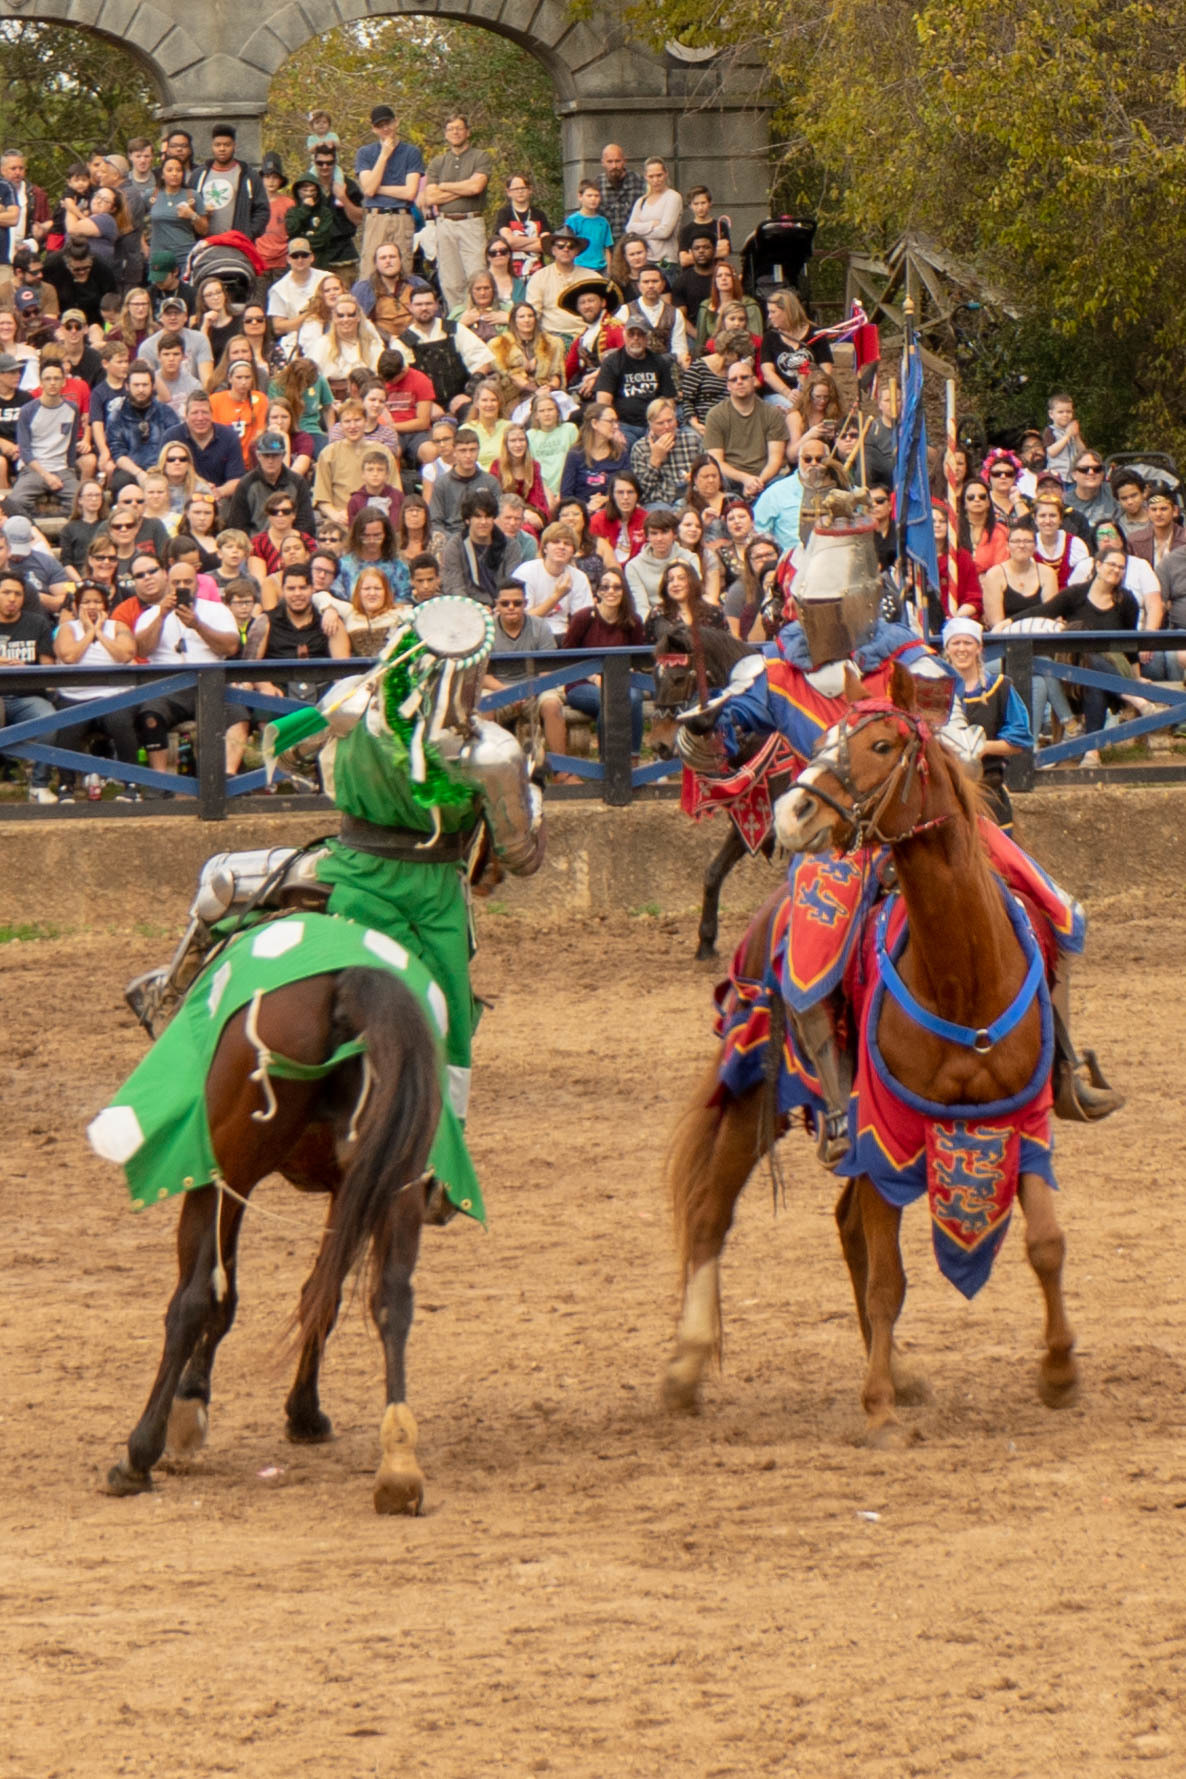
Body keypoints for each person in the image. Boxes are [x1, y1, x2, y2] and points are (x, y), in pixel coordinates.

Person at [942, 615, 1031, 830]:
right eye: (956, 643)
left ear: (979, 648)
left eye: (967, 643)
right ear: (947, 648)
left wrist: (980, 748)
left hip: (988, 789)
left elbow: (1019, 739)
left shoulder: (999, 687)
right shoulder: (934, 691)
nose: (961, 649)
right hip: (944, 793)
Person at [560, 565, 647, 759]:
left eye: (617, 587)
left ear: (624, 591)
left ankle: (632, 757)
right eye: (605, 587)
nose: (611, 592)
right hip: (582, 683)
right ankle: (607, 762)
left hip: (621, 680)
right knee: (609, 701)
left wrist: (615, 678)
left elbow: (637, 658)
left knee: (634, 697)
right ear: (597, 591)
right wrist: (593, 677)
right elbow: (566, 657)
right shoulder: (583, 618)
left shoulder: (633, 621)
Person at [423, 114, 493, 312]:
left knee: (477, 277)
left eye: (459, 128)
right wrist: (463, 189)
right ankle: (458, 322)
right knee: (450, 281)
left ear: (467, 132)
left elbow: (476, 188)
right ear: (446, 134)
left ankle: (481, 319)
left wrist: (444, 186)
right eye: (451, 129)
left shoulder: (480, 156)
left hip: (471, 222)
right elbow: (431, 198)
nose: (455, 132)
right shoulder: (438, 162)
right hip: (444, 224)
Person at [0, 566, 57, 800]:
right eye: (5, 593)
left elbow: (48, 669)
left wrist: (28, 670)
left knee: (50, 720)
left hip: (27, 695)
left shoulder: (37, 623)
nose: (12, 598)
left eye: (17, 594)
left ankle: (39, 784)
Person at [354, 105, 424, 280]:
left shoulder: (411, 152)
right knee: (369, 273)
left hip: (402, 217)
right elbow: (368, 189)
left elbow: (409, 192)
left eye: (389, 123)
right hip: (376, 218)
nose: (385, 128)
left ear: (396, 122)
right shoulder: (365, 153)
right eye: (380, 125)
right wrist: (384, 155)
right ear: (373, 129)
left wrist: (377, 188)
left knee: (403, 272)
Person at [5, 358, 81, 518]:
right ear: (41, 382)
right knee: (15, 502)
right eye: (48, 379)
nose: (52, 383)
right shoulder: (28, 410)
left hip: (62, 469)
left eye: (56, 378)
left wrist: (70, 470)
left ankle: (55, 519)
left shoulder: (72, 409)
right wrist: (47, 476)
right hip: (34, 469)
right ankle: (38, 521)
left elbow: (71, 445)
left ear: (63, 382)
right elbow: (25, 450)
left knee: (83, 502)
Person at [702, 359, 787, 497]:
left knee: (783, 484)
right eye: (734, 379)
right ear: (728, 386)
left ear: (754, 381)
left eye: (744, 377)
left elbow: (775, 460)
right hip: (730, 479)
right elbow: (716, 461)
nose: (739, 382)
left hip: (766, 478)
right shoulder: (715, 415)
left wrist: (758, 482)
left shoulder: (772, 413)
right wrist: (745, 479)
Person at [592, 317, 678, 449]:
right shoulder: (612, 362)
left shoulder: (659, 362)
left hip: (655, 425)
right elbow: (603, 402)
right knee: (620, 448)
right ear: (625, 336)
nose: (636, 338)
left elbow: (669, 400)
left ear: (647, 338)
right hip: (624, 426)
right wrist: (613, 430)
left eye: (640, 334)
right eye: (631, 334)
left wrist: (662, 427)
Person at [441, 487, 530, 604]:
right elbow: (455, 587)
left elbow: (511, 585)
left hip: (502, 608)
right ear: (467, 520)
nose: (483, 522)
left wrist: (499, 607)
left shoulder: (511, 546)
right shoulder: (455, 546)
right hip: (468, 608)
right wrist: (476, 609)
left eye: (488, 517)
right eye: (478, 517)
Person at [751, 436, 832, 554]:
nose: (813, 464)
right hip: (791, 563)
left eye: (819, 459)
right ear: (799, 460)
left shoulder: (841, 489)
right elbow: (758, 532)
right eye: (807, 459)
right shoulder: (775, 493)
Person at [513, 520, 593, 636]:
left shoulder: (579, 577)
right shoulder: (526, 571)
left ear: (573, 552)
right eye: (556, 542)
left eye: (567, 544)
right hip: (529, 634)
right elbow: (522, 619)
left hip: (563, 635)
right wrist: (557, 596)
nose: (561, 547)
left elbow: (583, 620)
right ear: (545, 548)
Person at [162, 390, 245, 501]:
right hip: (179, 497)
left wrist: (217, 492)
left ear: (212, 414)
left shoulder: (229, 437)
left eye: (204, 412)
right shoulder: (171, 436)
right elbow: (161, 474)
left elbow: (236, 479)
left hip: (220, 499)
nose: (200, 418)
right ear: (186, 415)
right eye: (195, 413)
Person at [488, 300, 565, 414]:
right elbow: (514, 377)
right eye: (522, 316)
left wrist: (549, 388)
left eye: (530, 316)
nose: (527, 320)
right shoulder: (500, 345)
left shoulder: (552, 343)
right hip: (516, 394)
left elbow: (556, 374)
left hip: (548, 391)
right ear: (514, 320)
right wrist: (536, 390)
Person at [193, 125, 269, 241]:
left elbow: (262, 210)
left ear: (234, 146)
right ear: (212, 147)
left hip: (238, 243)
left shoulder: (249, 175)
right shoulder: (198, 175)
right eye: (217, 145)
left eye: (227, 145)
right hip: (204, 244)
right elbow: (189, 204)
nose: (222, 149)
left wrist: (249, 234)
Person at [559, 276, 625, 403]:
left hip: (613, 388)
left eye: (591, 301)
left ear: (603, 303)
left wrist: (598, 378)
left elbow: (625, 357)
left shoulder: (616, 328)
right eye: (582, 303)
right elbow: (569, 368)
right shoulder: (582, 337)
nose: (587, 306)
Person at [427, 426, 499, 538]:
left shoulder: (491, 483)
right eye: (463, 451)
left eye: (472, 450)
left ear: (479, 450)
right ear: (454, 452)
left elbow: (498, 517)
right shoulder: (442, 484)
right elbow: (435, 522)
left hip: (484, 537)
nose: (468, 456)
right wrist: (455, 541)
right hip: (451, 538)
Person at [630, 396, 700, 508]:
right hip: (660, 502)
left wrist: (696, 477)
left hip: (690, 496)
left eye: (670, 421)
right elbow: (640, 494)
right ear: (650, 424)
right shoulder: (640, 448)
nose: (667, 427)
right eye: (660, 423)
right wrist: (655, 461)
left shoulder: (692, 439)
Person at [625, 507, 699, 611]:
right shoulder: (633, 567)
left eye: (664, 532)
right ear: (647, 537)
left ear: (674, 534)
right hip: (652, 619)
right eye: (654, 533)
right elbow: (641, 606)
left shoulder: (690, 559)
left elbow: (694, 597)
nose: (659, 539)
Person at [353, 242, 426, 342]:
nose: (388, 261)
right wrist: (388, 338)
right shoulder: (363, 290)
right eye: (383, 258)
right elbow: (358, 322)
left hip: (418, 340)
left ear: (400, 260)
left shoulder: (417, 284)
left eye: (392, 257)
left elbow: (433, 314)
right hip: (380, 344)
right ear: (376, 264)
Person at [524, 228, 589, 340]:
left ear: (577, 251)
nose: (566, 249)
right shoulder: (539, 278)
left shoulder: (591, 278)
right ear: (553, 250)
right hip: (552, 338)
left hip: (587, 337)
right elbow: (532, 313)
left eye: (571, 246)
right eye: (560, 246)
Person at [559, 405, 630, 508]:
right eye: (610, 421)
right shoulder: (575, 455)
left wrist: (606, 499)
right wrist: (586, 508)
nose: (616, 426)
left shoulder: (621, 453)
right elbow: (566, 495)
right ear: (594, 423)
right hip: (582, 513)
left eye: (616, 421)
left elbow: (629, 488)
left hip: (612, 510)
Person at [625, 159, 682, 268]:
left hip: (665, 261)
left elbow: (665, 232)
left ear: (666, 174)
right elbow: (629, 229)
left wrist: (640, 231)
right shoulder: (642, 201)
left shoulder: (673, 197)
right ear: (646, 177)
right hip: (644, 260)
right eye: (651, 176)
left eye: (659, 175)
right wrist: (652, 224)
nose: (655, 180)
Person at [267, 238, 328, 338]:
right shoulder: (278, 289)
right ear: (288, 259)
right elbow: (278, 327)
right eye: (295, 256)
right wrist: (309, 316)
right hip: (295, 339)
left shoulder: (327, 279)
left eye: (304, 255)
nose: (300, 260)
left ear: (312, 257)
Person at [493, 174, 550, 281]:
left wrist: (517, 244)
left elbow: (546, 244)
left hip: (537, 272)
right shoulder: (504, 213)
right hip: (511, 274)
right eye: (515, 189)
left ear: (530, 190)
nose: (520, 191)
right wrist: (537, 241)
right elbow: (508, 241)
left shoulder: (539, 214)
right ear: (508, 192)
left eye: (523, 188)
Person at [344, 565, 404, 655]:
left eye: (377, 588)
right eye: (367, 588)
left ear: (386, 591)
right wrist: (329, 610)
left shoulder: (401, 614)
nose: (372, 593)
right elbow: (319, 596)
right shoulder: (349, 612)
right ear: (359, 592)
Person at [597, 145, 645, 243]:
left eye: (617, 161)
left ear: (624, 161)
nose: (614, 166)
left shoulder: (639, 182)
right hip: (607, 245)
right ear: (603, 163)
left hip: (633, 245)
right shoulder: (597, 186)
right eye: (609, 162)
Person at [564, 180, 614, 274]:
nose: (593, 199)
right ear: (580, 197)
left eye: (596, 196)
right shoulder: (573, 221)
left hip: (600, 268)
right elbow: (567, 247)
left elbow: (607, 248)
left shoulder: (603, 222)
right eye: (589, 196)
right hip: (579, 267)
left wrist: (609, 271)